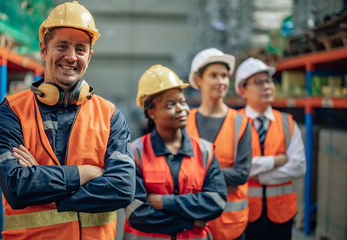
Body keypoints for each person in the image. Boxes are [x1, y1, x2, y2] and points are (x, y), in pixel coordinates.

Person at [0, 2, 135, 239]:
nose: (71, 56)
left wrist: (41, 180)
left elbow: (122, 188)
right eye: (62, 46)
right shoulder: (13, 112)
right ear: (44, 50)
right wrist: (87, 172)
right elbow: (17, 189)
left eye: (80, 49)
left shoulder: (109, 116)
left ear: (89, 56)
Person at [123, 64, 227, 240]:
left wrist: (163, 202)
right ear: (152, 112)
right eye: (170, 104)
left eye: (182, 102)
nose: (180, 108)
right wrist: (191, 222)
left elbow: (216, 202)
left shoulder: (205, 150)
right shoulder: (136, 153)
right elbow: (137, 215)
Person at [234, 57, 306, 240]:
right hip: (245, 214)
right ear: (243, 90)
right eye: (258, 82)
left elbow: (298, 166)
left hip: (282, 214)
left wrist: (258, 174)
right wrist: (275, 161)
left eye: (268, 81)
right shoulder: (233, 124)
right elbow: (235, 168)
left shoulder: (287, 123)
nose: (266, 86)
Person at [186, 48, 252, 240]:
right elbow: (177, 172)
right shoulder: (185, 122)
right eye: (213, 75)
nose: (221, 81)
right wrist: (222, 179)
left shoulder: (241, 122)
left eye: (224, 76)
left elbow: (241, 174)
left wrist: (197, 176)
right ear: (199, 80)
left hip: (231, 224)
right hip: (193, 221)